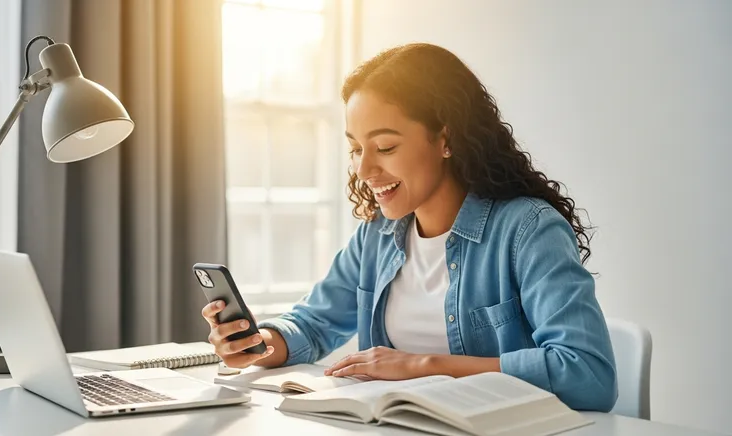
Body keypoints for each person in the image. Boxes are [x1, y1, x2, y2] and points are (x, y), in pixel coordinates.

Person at [202, 43, 617, 412]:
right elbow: (312, 324)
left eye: (385, 147)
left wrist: (422, 366)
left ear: (445, 139)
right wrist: (258, 344)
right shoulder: (379, 235)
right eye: (356, 149)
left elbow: (589, 375)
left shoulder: (528, 229)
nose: (363, 169)